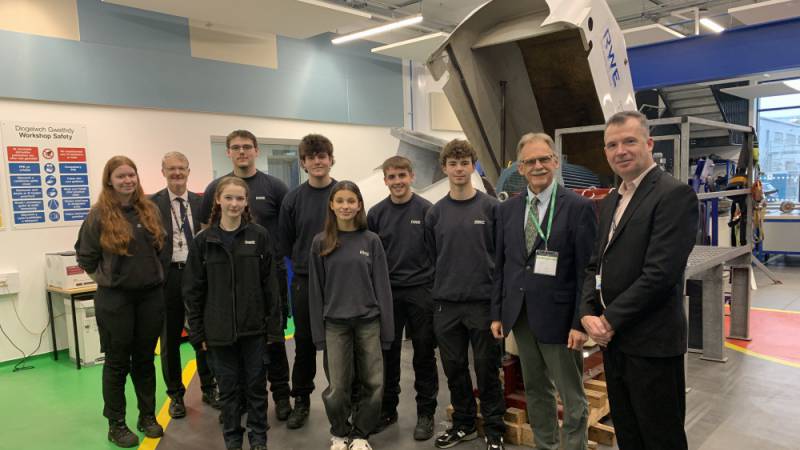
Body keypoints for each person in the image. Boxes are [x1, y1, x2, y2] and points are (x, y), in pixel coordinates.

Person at [580, 111, 698, 450]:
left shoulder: (673, 195)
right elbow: (595, 265)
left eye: (629, 141)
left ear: (649, 143)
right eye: (612, 145)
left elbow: (660, 274)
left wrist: (608, 320)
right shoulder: (612, 200)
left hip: (652, 344)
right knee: (628, 433)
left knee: (660, 437)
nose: (621, 151)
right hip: (615, 344)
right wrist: (586, 312)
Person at [490, 133, 597, 450]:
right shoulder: (507, 210)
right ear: (520, 168)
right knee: (536, 390)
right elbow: (502, 265)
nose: (537, 166)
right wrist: (497, 313)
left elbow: (587, 271)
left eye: (544, 159)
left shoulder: (578, 207)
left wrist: (580, 321)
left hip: (561, 320)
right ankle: (545, 445)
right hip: (521, 315)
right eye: (530, 161)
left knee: (571, 397)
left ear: (555, 162)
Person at [197, 130, 293, 421]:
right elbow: (205, 231)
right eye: (236, 147)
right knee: (234, 342)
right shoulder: (216, 187)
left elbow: (288, 229)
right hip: (228, 282)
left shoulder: (275, 186)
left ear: (256, 150)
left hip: (269, 277)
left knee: (274, 338)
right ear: (228, 152)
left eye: (247, 147)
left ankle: (281, 396)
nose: (242, 152)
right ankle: (237, 400)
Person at [184, 176, 282, 450]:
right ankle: (233, 441)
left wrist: (273, 329)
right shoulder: (204, 241)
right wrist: (197, 333)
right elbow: (193, 291)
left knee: (256, 389)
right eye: (228, 197)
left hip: (254, 330)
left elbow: (270, 287)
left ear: (247, 202)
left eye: (240, 198)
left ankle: (259, 440)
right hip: (218, 333)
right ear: (218, 200)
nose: (234, 203)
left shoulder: (259, 236)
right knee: (228, 392)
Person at [75, 156, 166, 448]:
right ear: (110, 181)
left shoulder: (149, 210)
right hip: (115, 300)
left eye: (131, 175)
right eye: (121, 176)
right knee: (117, 363)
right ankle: (116, 424)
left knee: (144, 360)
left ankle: (147, 416)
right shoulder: (98, 215)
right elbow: (86, 257)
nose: (127, 180)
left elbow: (159, 247)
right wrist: (109, 279)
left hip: (150, 296)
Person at [425, 139, 506, 450]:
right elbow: (432, 257)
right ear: (444, 168)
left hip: (483, 305)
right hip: (446, 306)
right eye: (453, 164)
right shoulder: (435, 213)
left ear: (473, 166)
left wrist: (498, 307)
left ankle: (495, 430)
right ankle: (464, 424)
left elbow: (502, 257)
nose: (459, 169)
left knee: (487, 369)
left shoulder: (492, 208)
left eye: (464, 163)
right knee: (454, 368)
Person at [308, 181, 394, 450]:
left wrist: (387, 331)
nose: (345, 206)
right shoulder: (320, 242)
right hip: (335, 325)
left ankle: (360, 434)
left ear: (359, 206)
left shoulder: (371, 241)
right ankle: (339, 432)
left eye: (351, 201)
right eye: (340, 201)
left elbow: (383, 287)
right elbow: (316, 291)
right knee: (338, 386)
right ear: (332, 205)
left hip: (368, 322)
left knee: (373, 382)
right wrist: (318, 335)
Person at [367, 156, 438, 440]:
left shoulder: (427, 210)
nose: (397, 181)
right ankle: (387, 410)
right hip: (389, 294)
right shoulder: (376, 214)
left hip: (422, 292)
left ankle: (426, 413)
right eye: (392, 177)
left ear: (412, 176)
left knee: (424, 354)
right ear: (385, 180)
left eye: (402, 175)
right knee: (388, 354)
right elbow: (371, 256)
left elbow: (436, 252)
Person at [150, 151, 219, 419]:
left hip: (199, 275)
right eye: (171, 168)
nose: (177, 173)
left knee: (204, 333)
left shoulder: (202, 202)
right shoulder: (152, 204)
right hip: (168, 276)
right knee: (169, 339)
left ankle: (209, 387)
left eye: (181, 168)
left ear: (189, 171)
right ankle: (176, 395)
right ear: (163, 172)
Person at [278, 133, 337, 429]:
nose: (317, 161)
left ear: (331, 159)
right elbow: (286, 243)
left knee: (340, 342)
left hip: (339, 281)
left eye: (322, 156)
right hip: (304, 280)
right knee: (303, 343)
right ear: (303, 163)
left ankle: (343, 399)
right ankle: (301, 400)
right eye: (311, 157)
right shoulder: (293, 199)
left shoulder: (344, 193)